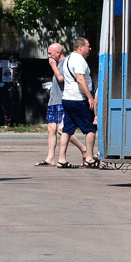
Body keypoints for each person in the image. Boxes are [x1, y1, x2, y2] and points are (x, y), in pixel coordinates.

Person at [36, 43, 87, 167]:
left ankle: (84, 149)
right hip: (53, 100)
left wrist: (54, 67)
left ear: (58, 53)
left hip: (62, 100)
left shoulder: (65, 63)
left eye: (50, 53)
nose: (48, 56)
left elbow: (61, 79)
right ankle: (50, 158)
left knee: (61, 129)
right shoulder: (57, 63)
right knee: (51, 129)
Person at [57, 38, 99, 169]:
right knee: (90, 128)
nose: (90, 49)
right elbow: (80, 79)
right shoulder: (79, 60)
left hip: (67, 98)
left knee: (67, 129)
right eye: (88, 46)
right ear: (80, 48)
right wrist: (90, 97)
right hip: (78, 99)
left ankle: (61, 159)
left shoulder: (68, 59)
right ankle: (89, 158)